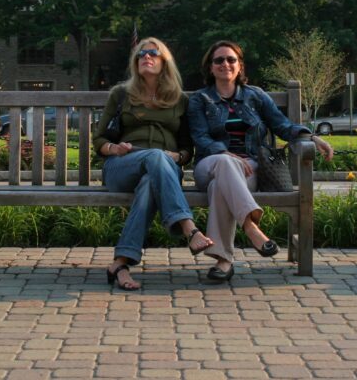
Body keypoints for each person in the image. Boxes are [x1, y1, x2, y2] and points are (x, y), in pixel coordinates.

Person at [188, 40, 333, 281]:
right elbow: (200, 136)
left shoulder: (255, 96)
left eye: (231, 59)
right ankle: (251, 227)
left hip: (250, 168)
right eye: (219, 60)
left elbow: (282, 125)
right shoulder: (200, 99)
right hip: (210, 164)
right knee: (224, 165)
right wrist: (223, 152)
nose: (225, 64)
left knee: (219, 188)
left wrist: (313, 137)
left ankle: (223, 262)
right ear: (210, 68)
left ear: (240, 66)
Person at [93, 37, 213, 290]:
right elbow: (99, 139)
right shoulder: (121, 94)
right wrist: (114, 148)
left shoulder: (180, 100)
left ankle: (120, 263)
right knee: (154, 156)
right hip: (122, 165)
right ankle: (189, 229)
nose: (146, 57)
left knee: (151, 178)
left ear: (164, 62)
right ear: (135, 63)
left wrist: (178, 158)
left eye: (153, 54)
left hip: (163, 171)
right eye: (141, 54)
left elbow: (186, 149)